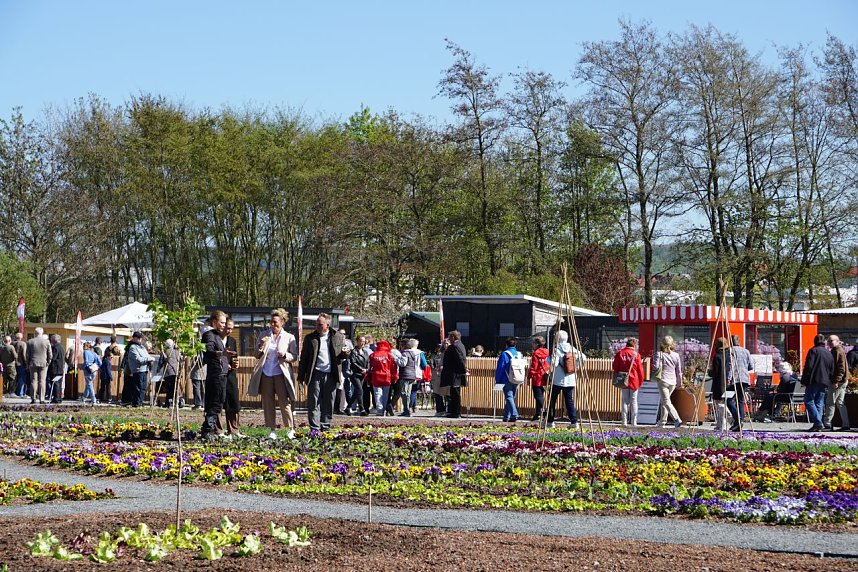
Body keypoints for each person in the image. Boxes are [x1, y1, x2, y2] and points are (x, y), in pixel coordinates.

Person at [297, 313, 348, 432]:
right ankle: (314, 428)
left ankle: (325, 426)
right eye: (316, 324)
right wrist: (301, 376)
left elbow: (342, 356)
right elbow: (304, 358)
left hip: (331, 374)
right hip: (315, 374)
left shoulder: (338, 337)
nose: (317, 326)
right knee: (314, 402)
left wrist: (346, 354)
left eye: (320, 324)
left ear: (328, 325)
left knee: (329, 402)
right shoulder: (310, 338)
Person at [254, 308, 298, 440]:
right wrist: (261, 346)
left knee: (284, 402)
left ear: (282, 322)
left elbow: (294, 356)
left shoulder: (289, 337)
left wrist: (285, 355)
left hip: (281, 373)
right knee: (268, 403)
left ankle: (290, 429)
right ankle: (271, 430)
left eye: (275, 322)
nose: (273, 325)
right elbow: (256, 355)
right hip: (266, 372)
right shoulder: (263, 335)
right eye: (271, 322)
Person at [200, 311, 232, 439]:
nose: (224, 325)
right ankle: (208, 429)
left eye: (225, 323)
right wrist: (222, 354)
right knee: (215, 401)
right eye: (222, 322)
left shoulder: (217, 335)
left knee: (219, 401)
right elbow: (209, 351)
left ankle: (210, 428)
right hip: (216, 374)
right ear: (214, 322)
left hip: (222, 372)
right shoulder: (209, 335)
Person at [547, 331, 584, 429]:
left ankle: (550, 421)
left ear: (557, 339)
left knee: (552, 400)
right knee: (569, 400)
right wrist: (575, 366)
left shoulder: (557, 349)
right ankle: (574, 421)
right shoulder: (573, 349)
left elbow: (554, 364)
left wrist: (549, 360)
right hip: (570, 379)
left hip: (557, 379)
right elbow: (583, 358)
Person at [802, 333, 834, 432]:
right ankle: (817, 424)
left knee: (808, 400)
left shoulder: (813, 351)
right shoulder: (829, 353)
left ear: (814, 341)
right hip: (825, 381)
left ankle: (818, 423)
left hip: (814, 380)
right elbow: (832, 368)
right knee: (819, 403)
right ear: (824, 342)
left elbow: (808, 367)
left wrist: (804, 380)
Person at [612, 337, 644, 426]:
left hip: (623, 379)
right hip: (634, 380)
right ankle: (634, 422)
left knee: (625, 400)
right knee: (634, 401)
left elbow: (615, 367)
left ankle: (624, 421)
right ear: (635, 345)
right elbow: (640, 370)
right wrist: (641, 381)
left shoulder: (620, 353)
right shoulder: (636, 355)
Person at [653, 336, 683, 429]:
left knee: (666, 401)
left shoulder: (659, 354)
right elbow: (679, 371)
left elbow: (656, 367)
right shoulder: (676, 355)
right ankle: (662, 422)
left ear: (662, 344)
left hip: (663, 380)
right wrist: (680, 382)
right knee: (664, 401)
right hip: (673, 381)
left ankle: (677, 419)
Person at [222, 318, 245, 437]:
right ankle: (219, 430)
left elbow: (235, 356)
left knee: (233, 401)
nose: (229, 330)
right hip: (219, 375)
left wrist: (236, 364)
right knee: (219, 402)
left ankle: (234, 429)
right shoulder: (217, 339)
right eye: (227, 327)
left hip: (231, 375)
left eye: (231, 328)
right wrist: (226, 365)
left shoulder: (232, 341)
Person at [823, 335, 850, 431]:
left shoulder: (837, 351)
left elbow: (841, 368)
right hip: (843, 380)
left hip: (838, 381)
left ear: (837, 341)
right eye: (828, 341)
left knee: (830, 402)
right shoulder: (838, 350)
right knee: (840, 403)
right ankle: (846, 424)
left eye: (831, 341)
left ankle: (827, 423)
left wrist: (836, 381)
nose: (829, 342)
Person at [728, 335, 753, 432]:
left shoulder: (730, 351)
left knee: (728, 399)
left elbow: (731, 365)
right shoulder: (746, 351)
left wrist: (728, 378)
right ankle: (740, 420)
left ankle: (737, 418)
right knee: (740, 401)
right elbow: (751, 366)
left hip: (734, 378)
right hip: (745, 378)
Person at [440, 330, 468, 418]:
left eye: (449, 337)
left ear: (453, 337)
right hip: (457, 373)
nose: (449, 339)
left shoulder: (454, 346)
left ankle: (455, 412)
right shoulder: (461, 345)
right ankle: (455, 412)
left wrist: (463, 370)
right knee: (455, 393)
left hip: (454, 374)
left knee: (454, 394)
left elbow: (459, 359)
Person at [495, 337, 523, 422]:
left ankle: (514, 414)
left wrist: (498, 379)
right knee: (511, 397)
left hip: (506, 378)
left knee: (509, 397)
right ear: (515, 344)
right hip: (517, 378)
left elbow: (501, 367)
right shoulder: (519, 354)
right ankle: (507, 417)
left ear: (506, 345)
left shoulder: (505, 354)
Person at [368, 339, 397, 416]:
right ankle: (383, 409)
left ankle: (379, 410)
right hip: (386, 376)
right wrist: (395, 377)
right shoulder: (389, 355)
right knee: (385, 394)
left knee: (377, 394)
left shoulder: (373, 355)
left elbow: (369, 367)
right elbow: (393, 368)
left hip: (376, 376)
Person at [398, 338, 426, 417]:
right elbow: (424, 365)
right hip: (416, 374)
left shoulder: (404, 352)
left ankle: (408, 408)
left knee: (406, 392)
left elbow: (402, 363)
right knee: (412, 392)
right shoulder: (419, 353)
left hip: (406, 374)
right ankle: (411, 407)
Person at [708, 337, 732, 431]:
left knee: (720, 404)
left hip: (719, 383)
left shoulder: (717, 356)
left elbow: (715, 373)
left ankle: (727, 421)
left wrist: (710, 372)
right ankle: (722, 423)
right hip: (729, 382)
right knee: (724, 403)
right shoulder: (729, 355)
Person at [125, 331, 152, 407]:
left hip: (144, 369)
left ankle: (140, 402)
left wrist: (148, 359)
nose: (140, 340)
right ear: (134, 338)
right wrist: (148, 359)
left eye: (140, 338)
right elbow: (138, 359)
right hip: (138, 370)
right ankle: (136, 403)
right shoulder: (132, 347)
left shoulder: (142, 347)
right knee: (138, 387)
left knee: (143, 388)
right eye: (138, 338)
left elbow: (147, 356)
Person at [26, 327, 52, 404]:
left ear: (35, 333)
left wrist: (28, 363)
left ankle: (33, 398)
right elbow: (50, 354)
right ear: (42, 333)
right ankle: (42, 398)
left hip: (33, 362)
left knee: (33, 381)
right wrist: (48, 362)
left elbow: (27, 354)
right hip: (44, 363)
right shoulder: (46, 342)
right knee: (42, 381)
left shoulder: (30, 341)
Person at [346, 335, 369, 415]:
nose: (362, 343)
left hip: (362, 374)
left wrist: (366, 369)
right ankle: (362, 409)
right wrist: (361, 369)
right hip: (355, 374)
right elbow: (353, 362)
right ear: (357, 341)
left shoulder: (365, 352)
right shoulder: (353, 351)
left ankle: (348, 407)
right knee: (360, 390)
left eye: (363, 341)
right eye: (360, 341)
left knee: (357, 392)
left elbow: (368, 362)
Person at [529, 336, 549, 421]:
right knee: (541, 395)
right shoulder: (547, 352)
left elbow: (534, 366)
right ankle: (537, 413)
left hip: (537, 377)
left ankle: (545, 411)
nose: (532, 345)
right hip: (545, 375)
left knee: (538, 396)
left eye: (533, 343)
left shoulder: (535, 353)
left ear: (537, 344)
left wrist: (530, 375)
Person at [161, 339, 181, 407]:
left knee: (169, 389)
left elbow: (161, 361)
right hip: (176, 371)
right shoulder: (177, 351)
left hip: (168, 372)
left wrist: (158, 369)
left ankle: (168, 402)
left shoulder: (165, 351)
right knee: (175, 388)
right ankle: (175, 402)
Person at [46, 334, 65, 403]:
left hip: (55, 368)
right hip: (60, 368)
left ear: (54, 340)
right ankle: (58, 397)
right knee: (59, 384)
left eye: (52, 339)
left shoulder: (55, 348)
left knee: (55, 383)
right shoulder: (62, 347)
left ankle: (56, 398)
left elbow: (53, 357)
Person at [12, 332, 28, 398]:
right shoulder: (23, 344)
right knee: (21, 379)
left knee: (15, 378)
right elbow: (24, 355)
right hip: (21, 364)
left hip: (13, 363)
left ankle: (14, 392)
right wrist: (26, 363)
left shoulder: (12, 343)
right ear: (21, 337)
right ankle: (20, 393)